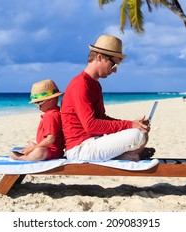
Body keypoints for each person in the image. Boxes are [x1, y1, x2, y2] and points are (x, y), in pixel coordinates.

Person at [60, 34, 151, 162]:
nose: (114, 71)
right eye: (113, 65)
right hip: (80, 148)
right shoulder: (80, 84)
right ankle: (127, 154)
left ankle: (126, 155)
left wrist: (132, 123)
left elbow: (101, 119)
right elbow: (91, 125)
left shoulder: (95, 85)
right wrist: (129, 125)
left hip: (94, 141)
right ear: (99, 57)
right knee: (137, 135)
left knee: (141, 133)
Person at [10, 79, 65, 161]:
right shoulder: (53, 114)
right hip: (50, 150)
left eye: (39, 103)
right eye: (36, 103)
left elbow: (50, 139)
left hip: (52, 151)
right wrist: (36, 145)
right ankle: (30, 154)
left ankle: (24, 158)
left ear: (50, 100)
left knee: (37, 152)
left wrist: (32, 149)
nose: (38, 106)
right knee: (27, 151)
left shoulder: (51, 116)